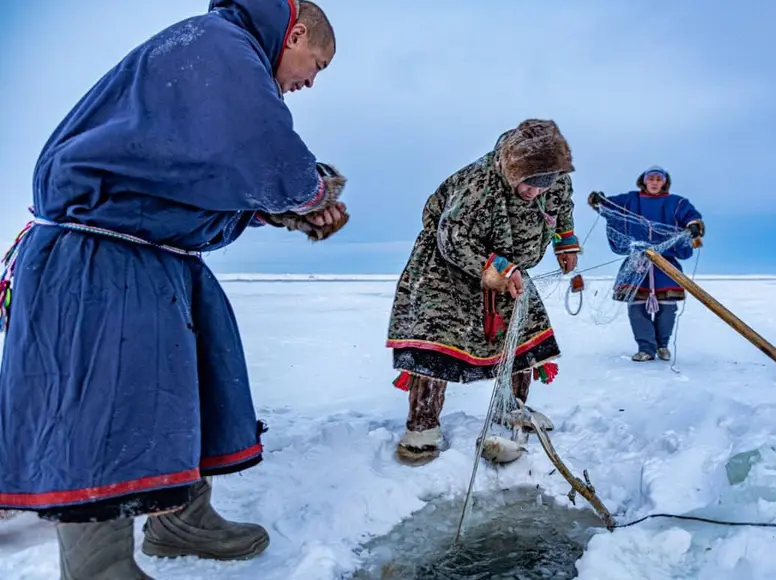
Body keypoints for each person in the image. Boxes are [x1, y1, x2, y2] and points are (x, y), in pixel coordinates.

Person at [0, 1, 346, 578]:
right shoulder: (221, 43)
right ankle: (99, 567)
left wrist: (278, 213)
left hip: (150, 254)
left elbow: (192, 173)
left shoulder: (213, 57)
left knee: (183, 388)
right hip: (98, 261)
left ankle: (180, 521)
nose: (310, 80)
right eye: (319, 63)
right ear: (298, 33)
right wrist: (311, 195)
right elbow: (263, 151)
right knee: (105, 404)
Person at [386, 119, 582, 465]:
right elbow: (453, 237)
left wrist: (565, 243)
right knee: (438, 341)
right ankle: (422, 429)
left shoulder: (555, 180)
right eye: (529, 184)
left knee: (523, 334)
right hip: (446, 266)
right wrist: (495, 269)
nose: (536, 192)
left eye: (544, 184)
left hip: (509, 268)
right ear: (512, 170)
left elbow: (561, 209)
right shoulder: (477, 183)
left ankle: (511, 407)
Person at [587, 165, 704, 362]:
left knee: (667, 307)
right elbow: (610, 206)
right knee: (636, 306)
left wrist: (694, 226)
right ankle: (646, 349)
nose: (655, 182)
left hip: (666, 265)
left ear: (665, 182)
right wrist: (599, 200)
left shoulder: (677, 203)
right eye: (651, 179)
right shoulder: (631, 200)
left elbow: (691, 217)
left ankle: (662, 345)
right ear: (644, 180)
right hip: (637, 263)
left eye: (659, 179)